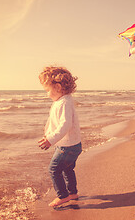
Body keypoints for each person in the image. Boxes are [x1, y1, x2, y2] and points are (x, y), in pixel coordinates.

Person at [38, 66, 82, 207]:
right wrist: (48, 133)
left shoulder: (64, 103)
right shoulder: (62, 101)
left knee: (54, 169)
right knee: (67, 169)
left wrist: (50, 140)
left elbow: (65, 125)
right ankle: (72, 193)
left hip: (67, 147)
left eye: (47, 90)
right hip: (73, 145)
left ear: (57, 87)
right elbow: (54, 121)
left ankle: (63, 196)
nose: (47, 94)